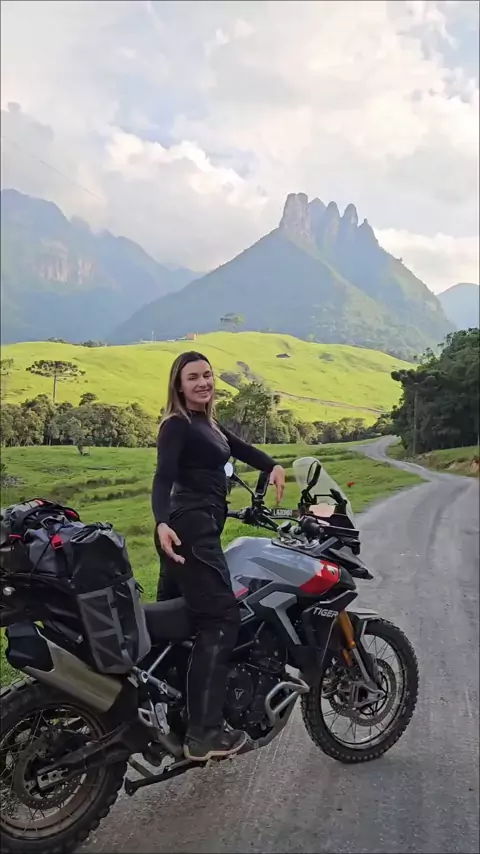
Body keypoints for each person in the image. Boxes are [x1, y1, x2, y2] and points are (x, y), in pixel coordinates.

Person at [152, 351, 285, 762]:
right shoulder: (177, 424)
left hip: (192, 529)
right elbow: (163, 476)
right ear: (179, 385)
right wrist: (160, 522)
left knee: (178, 625)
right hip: (190, 530)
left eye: (207, 375)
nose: (203, 382)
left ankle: (166, 713)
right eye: (193, 377)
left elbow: (239, 448)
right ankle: (203, 733)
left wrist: (272, 466)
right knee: (221, 618)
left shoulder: (206, 422)